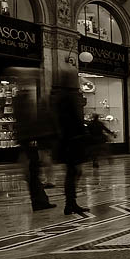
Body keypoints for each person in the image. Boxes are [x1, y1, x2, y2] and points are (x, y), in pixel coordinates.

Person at [11, 69, 55, 211]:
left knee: (34, 172)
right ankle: (39, 201)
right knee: (32, 171)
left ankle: (40, 200)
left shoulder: (25, 97)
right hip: (29, 141)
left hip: (30, 140)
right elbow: (26, 122)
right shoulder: (22, 98)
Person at [53, 70, 90, 215]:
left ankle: (71, 202)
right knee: (74, 172)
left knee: (73, 172)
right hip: (71, 142)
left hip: (67, 141)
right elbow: (73, 121)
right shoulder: (68, 97)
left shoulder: (60, 97)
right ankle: (70, 203)